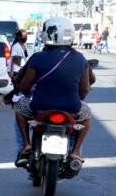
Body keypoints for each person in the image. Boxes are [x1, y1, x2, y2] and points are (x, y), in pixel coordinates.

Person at [13, 16, 92, 166]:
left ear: (45, 35)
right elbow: (84, 90)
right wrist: (77, 98)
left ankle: (26, 145)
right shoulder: (80, 58)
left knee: (19, 110)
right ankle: (75, 152)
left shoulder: (38, 58)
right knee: (86, 117)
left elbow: (24, 87)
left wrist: (27, 92)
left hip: (40, 106)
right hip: (71, 107)